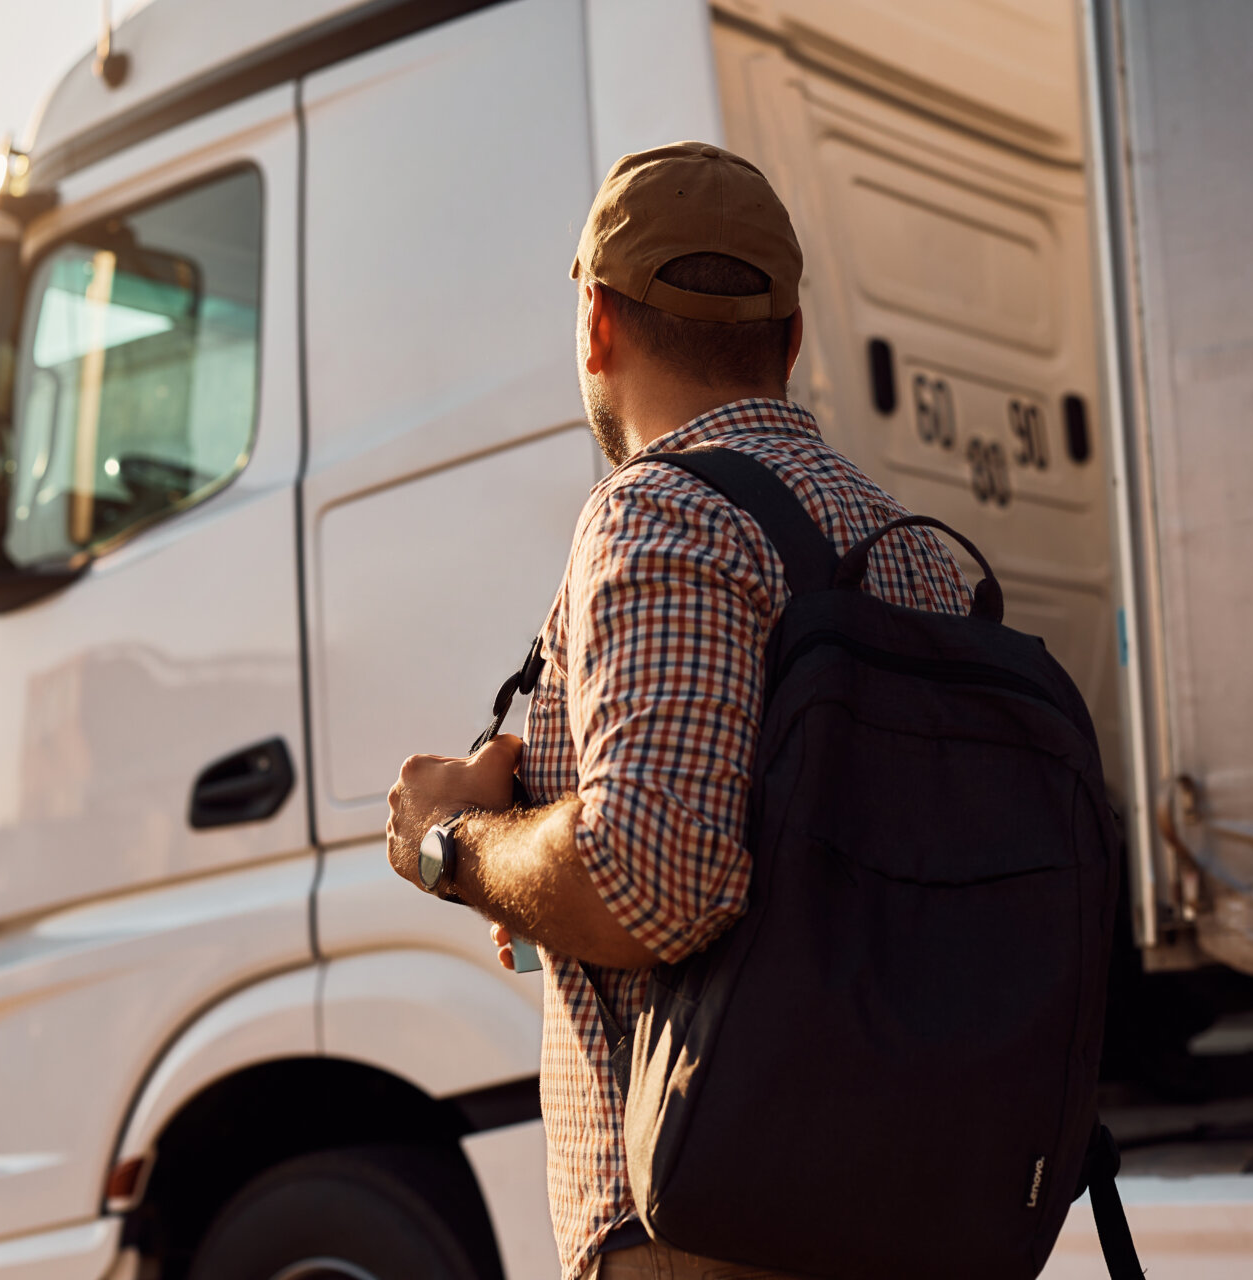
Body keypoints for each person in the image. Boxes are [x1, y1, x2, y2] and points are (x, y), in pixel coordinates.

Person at [385, 142, 973, 1280]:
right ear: (792, 339)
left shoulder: (657, 515)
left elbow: (652, 878)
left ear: (597, 325)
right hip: (913, 1202)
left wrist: (452, 845)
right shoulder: (912, 553)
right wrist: (542, 839)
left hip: (709, 1227)